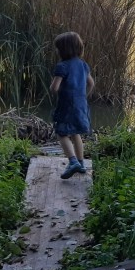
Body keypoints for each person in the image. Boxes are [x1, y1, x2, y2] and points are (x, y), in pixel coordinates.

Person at [50, 31, 95, 179]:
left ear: (63, 50)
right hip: (81, 105)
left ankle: (73, 161)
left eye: (58, 48)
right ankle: (81, 164)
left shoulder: (62, 66)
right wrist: (83, 96)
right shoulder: (83, 65)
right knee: (76, 133)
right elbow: (91, 83)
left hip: (67, 105)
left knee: (61, 133)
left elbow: (55, 87)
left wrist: (53, 87)